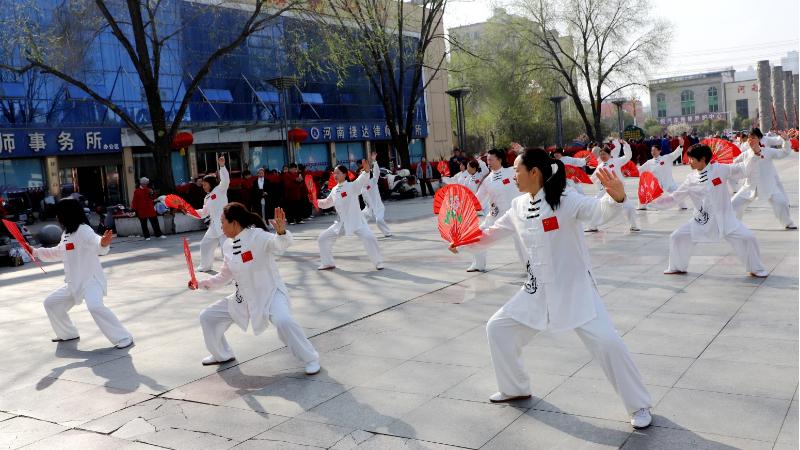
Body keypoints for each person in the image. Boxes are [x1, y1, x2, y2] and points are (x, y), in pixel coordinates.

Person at [449, 148, 653, 429]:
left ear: (535, 172)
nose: (514, 175)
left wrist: (616, 196)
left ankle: (639, 405)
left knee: (608, 342)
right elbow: (489, 235)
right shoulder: (518, 206)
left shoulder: (566, 200)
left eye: (517, 169)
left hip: (573, 288)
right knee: (498, 328)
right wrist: (462, 240)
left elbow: (598, 212)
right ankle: (515, 387)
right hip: (536, 291)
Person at [191, 203, 320, 374]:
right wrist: (199, 283)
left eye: (223, 222)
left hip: (270, 294)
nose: (220, 226)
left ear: (234, 223)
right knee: (208, 317)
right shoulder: (228, 246)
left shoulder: (257, 236)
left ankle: (311, 358)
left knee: (284, 321)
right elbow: (224, 276)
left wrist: (281, 232)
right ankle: (221, 354)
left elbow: (278, 245)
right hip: (242, 298)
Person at [646, 143, 768, 277]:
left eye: (692, 159)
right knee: (676, 236)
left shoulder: (720, 169)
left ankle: (756, 269)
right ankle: (677, 266)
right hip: (702, 220)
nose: (689, 162)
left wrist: (754, 155)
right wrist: (653, 202)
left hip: (725, 219)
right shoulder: (690, 179)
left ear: (703, 159)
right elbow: (675, 198)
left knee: (748, 238)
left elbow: (742, 169)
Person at [27, 198, 133, 349]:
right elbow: (58, 252)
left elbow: (95, 241)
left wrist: (103, 243)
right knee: (51, 303)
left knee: (95, 306)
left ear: (67, 214)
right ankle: (67, 333)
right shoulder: (66, 233)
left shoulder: (83, 229)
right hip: (73, 282)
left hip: (91, 281)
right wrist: (35, 252)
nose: (57, 217)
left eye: (59, 214)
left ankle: (123, 337)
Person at [317, 162, 384, 271]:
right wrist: (316, 202)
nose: (335, 175)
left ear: (344, 174)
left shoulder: (352, 186)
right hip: (341, 224)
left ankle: (378, 262)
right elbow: (327, 203)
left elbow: (360, 181)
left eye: (337, 173)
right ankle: (327, 262)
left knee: (369, 238)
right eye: (334, 173)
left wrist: (366, 172)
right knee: (322, 239)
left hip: (356, 221)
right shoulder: (334, 190)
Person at [470, 149, 528, 272]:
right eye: (487, 160)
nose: (488, 162)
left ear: (500, 159)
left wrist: (521, 151)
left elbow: (528, 167)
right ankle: (478, 264)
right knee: (477, 235)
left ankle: (530, 269)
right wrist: (464, 207)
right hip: (496, 216)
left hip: (516, 215)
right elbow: (477, 199)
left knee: (522, 244)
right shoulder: (487, 180)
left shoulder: (512, 171)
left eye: (491, 159)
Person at [730, 128, 797, 229]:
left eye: (753, 138)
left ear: (759, 139)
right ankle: (734, 224)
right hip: (749, 187)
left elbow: (784, 152)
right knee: (733, 203)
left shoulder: (768, 151)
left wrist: (786, 141)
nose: (750, 140)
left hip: (768, 185)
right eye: (749, 138)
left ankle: (788, 223)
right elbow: (732, 164)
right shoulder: (745, 154)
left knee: (781, 202)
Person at [586, 139, 640, 232]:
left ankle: (633, 225)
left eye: (604, 154)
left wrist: (626, 145)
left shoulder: (616, 161)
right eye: (601, 154)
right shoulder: (599, 167)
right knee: (597, 206)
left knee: (629, 207)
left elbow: (628, 156)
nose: (602, 156)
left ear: (609, 154)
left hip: (619, 190)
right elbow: (592, 180)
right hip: (605, 192)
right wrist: (578, 180)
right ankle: (592, 226)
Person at [194, 155, 230, 272]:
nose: (203, 186)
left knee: (227, 249)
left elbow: (225, 180)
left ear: (211, 183)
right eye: (202, 185)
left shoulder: (220, 189)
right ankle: (205, 266)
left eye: (205, 184)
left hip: (225, 225)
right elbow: (204, 213)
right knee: (205, 245)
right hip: (214, 226)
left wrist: (222, 166)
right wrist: (189, 211)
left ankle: (230, 271)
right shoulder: (207, 197)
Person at [638, 137, 688, 210]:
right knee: (646, 192)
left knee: (677, 194)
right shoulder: (649, 162)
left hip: (669, 182)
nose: (653, 152)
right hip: (657, 184)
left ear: (659, 151)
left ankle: (683, 206)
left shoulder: (666, 158)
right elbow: (639, 170)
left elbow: (675, 154)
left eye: (655, 150)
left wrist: (680, 146)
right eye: (652, 151)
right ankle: (642, 206)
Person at [361, 152, 392, 237]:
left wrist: (374, 161)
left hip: (378, 206)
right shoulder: (361, 185)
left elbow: (376, 172)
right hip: (368, 208)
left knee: (379, 220)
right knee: (360, 218)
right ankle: (365, 234)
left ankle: (387, 232)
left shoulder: (373, 181)